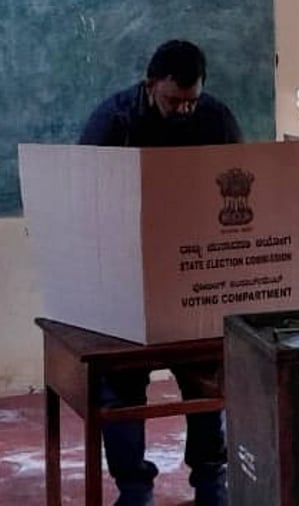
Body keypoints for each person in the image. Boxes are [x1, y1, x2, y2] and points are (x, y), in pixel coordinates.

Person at [79, 39, 242, 506]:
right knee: (121, 392)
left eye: (192, 100)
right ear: (151, 85)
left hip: (196, 274)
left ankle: (212, 484)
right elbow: (85, 198)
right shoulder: (113, 121)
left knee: (208, 386)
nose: (185, 111)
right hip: (127, 276)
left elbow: (243, 187)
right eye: (174, 101)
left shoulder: (216, 117)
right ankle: (135, 491)